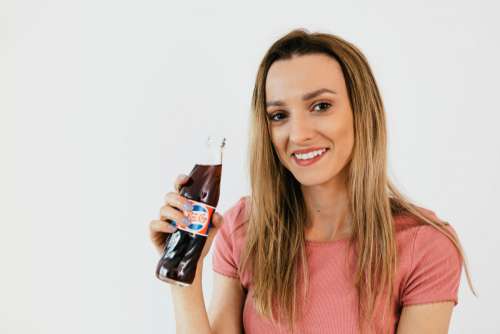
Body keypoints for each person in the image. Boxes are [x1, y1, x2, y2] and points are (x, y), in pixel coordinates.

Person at [149, 29, 475, 333]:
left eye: (321, 106)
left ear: (362, 112)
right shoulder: (244, 227)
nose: (299, 134)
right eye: (279, 115)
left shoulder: (424, 246)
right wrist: (184, 271)